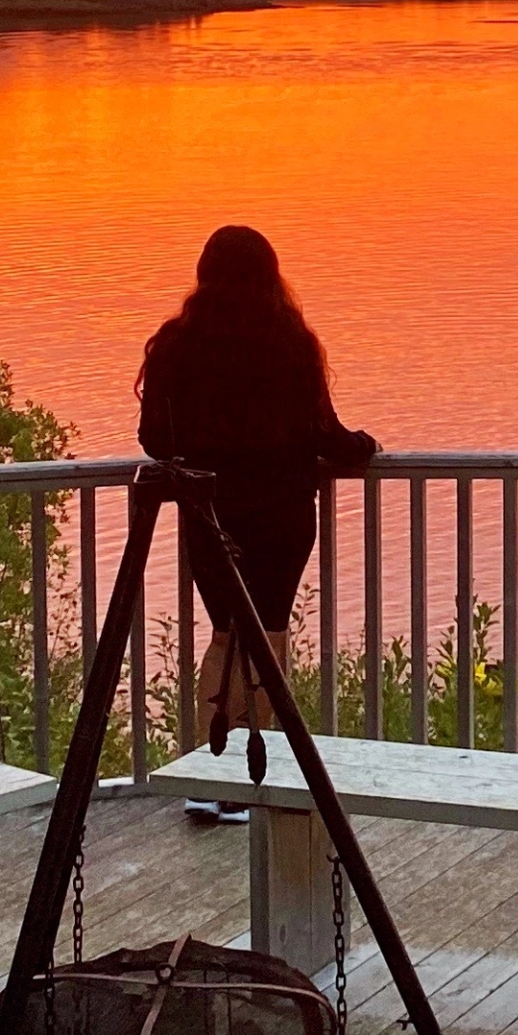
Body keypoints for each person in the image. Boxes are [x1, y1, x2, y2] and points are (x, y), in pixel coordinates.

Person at [135, 227, 377, 817]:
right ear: (271, 276)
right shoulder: (289, 343)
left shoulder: (177, 345)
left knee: (226, 632)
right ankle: (246, 776)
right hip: (282, 518)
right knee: (265, 638)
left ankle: (207, 775)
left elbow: (153, 439)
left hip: (209, 513)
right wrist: (364, 446)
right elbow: (327, 435)